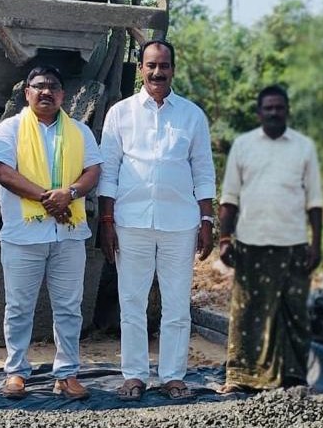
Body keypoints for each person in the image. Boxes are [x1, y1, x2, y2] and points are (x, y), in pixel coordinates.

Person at [97, 40, 215, 401]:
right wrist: (106, 221)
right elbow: (108, 171)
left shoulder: (192, 115)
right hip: (130, 222)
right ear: (141, 69)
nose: (157, 72)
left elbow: (203, 170)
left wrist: (207, 218)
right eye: (150, 65)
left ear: (173, 69)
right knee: (131, 302)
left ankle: (173, 376)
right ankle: (134, 375)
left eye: (164, 66)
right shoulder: (120, 113)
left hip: (180, 223)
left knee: (177, 304)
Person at [0, 66, 102, 400]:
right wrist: (47, 198)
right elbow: (2, 171)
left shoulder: (79, 131)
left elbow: (93, 169)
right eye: (38, 87)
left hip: (68, 235)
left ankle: (66, 374)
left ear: (63, 95)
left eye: (53, 87)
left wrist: (71, 193)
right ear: (27, 92)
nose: (46, 92)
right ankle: (16, 372)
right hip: (24, 236)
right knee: (19, 307)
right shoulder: (9, 129)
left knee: (69, 307)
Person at [216, 84, 323, 393]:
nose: (275, 113)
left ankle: (293, 379)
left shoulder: (303, 148)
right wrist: (225, 238)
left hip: (293, 245)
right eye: (269, 108)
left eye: (280, 107)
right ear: (259, 113)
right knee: (247, 313)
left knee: (293, 314)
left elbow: (314, 201)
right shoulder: (244, 146)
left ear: (287, 110)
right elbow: (230, 198)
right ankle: (241, 377)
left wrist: (316, 244)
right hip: (251, 245)